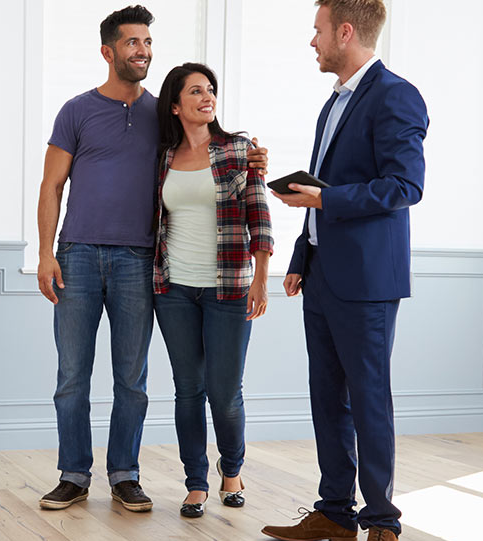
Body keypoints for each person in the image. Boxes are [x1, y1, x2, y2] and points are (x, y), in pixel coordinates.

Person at [35, 5, 270, 513]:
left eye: (147, 42)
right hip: (76, 255)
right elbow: (52, 185)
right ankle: (73, 474)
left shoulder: (161, 115)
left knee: (132, 377)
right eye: (132, 42)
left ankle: (125, 474)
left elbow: (208, 152)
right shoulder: (75, 110)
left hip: (140, 261)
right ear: (108, 51)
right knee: (72, 374)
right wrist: (45, 253)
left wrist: (252, 156)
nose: (142, 50)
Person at [260, 1, 427, 540]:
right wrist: (299, 258)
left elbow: (405, 186)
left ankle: (382, 521)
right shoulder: (332, 104)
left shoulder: (396, 95)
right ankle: (335, 512)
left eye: (318, 31)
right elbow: (320, 189)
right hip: (322, 275)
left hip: (367, 280)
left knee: (368, 397)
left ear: (346, 32)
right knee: (327, 396)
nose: (313, 41)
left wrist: (324, 203)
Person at [152, 63, 272, 518]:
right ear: (177, 104)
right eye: (196, 91)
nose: (207, 97)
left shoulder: (239, 150)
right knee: (188, 389)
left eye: (211, 90)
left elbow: (259, 217)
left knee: (224, 392)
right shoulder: (162, 157)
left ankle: (233, 470)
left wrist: (260, 278)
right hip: (174, 289)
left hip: (229, 289)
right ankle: (196, 482)